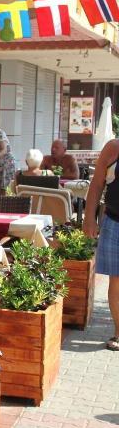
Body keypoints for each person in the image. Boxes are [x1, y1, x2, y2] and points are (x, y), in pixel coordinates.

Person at [82, 138, 119, 350]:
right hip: (115, 222)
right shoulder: (113, 148)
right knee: (117, 281)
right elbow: (96, 185)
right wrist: (89, 219)